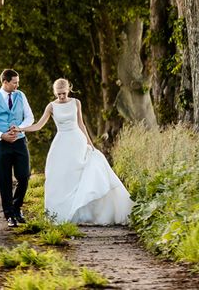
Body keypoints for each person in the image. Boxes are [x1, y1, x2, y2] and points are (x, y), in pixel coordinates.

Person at [15, 78, 133, 225]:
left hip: (77, 141)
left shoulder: (76, 103)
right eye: (58, 94)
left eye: (64, 93)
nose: (62, 97)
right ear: (55, 93)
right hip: (61, 143)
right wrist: (21, 128)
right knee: (60, 176)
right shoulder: (51, 106)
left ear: (68, 90)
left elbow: (81, 124)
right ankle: (61, 214)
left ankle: (84, 213)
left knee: (81, 174)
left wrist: (90, 145)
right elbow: (38, 125)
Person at [0, 68, 34, 228]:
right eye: (15, 83)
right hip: (2, 143)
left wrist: (19, 128)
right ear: (5, 82)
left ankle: (17, 208)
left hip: (19, 141)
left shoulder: (21, 96)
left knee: (24, 176)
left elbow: (30, 117)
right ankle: (9, 214)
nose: (17, 85)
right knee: (4, 179)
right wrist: (1, 135)